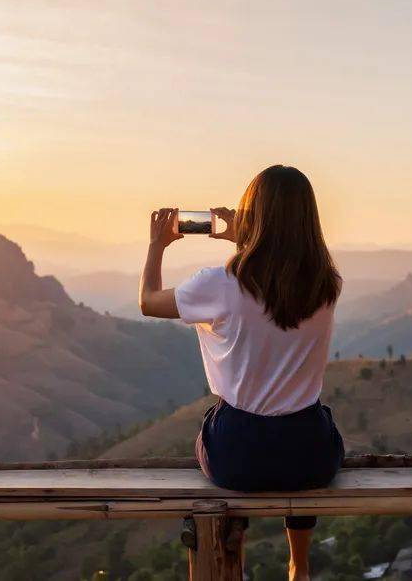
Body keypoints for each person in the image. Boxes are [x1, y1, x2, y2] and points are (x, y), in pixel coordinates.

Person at [139, 164, 345, 580]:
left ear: (253, 214)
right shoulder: (326, 284)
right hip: (309, 454)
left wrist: (156, 246)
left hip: (238, 453)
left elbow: (148, 301)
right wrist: (247, 241)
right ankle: (298, 565)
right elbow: (275, 285)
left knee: (220, 420)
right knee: (311, 415)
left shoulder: (217, 284)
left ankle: (237, 562)